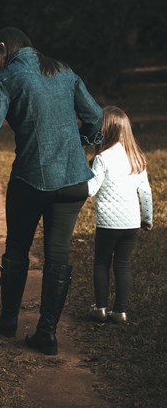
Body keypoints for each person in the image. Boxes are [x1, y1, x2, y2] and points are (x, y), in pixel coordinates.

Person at [0, 27, 103, 355]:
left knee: (17, 249)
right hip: (74, 181)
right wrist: (83, 142)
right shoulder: (63, 70)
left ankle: (7, 321)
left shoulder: (8, 78)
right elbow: (96, 116)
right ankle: (47, 334)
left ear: (3, 48)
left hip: (31, 181)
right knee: (58, 254)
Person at [88, 106, 153, 324]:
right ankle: (120, 312)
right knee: (123, 265)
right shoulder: (137, 158)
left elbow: (91, 189)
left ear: (105, 130)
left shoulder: (103, 158)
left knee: (101, 263)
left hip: (108, 223)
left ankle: (100, 309)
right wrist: (147, 218)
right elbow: (145, 192)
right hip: (131, 223)